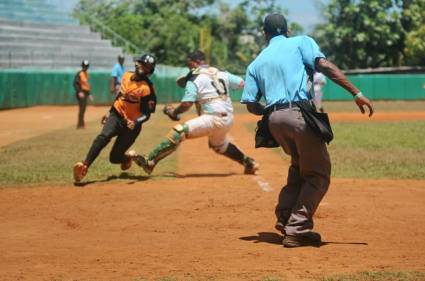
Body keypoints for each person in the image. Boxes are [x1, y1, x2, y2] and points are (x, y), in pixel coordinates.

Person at [241, 14, 374, 248]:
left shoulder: (256, 62)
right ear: (287, 30)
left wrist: (274, 113)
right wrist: (356, 92)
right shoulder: (301, 41)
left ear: (265, 34)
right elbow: (323, 65)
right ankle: (297, 228)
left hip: (273, 119)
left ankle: (284, 217)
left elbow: (252, 105)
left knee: (299, 166)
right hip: (299, 114)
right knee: (318, 174)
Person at [133, 50, 259, 176]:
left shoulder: (194, 77)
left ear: (196, 62)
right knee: (219, 146)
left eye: (190, 64)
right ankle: (249, 163)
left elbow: (187, 104)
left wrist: (174, 112)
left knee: (178, 132)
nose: (190, 67)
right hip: (228, 118)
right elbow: (242, 83)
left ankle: (150, 161)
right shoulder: (220, 72)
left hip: (214, 117)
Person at [73, 54, 158, 183]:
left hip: (131, 127)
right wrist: (109, 112)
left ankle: (127, 158)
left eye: (147, 67)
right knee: (103, 137)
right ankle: (84, 166)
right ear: (137, 64)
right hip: (117, 115)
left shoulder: (147, 89)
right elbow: (120, 96)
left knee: (114, 158)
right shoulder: (126, 76)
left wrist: (135, 123)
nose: (143, 68)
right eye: (142, 64)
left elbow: (147, 114)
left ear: (150, 71)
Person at [74, 60, 92, 129]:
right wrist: (79, 92)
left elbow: (86, 84)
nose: (85, 67)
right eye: (84, 66)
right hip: (81, 93)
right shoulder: (79, 73)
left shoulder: (86, 74)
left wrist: (90, 93)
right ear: (82, 66)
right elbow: (75, 83)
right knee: (82, 108)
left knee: (83, 108)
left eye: (86, 66)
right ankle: (80, 124)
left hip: (86, 93)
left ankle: (81, 123)